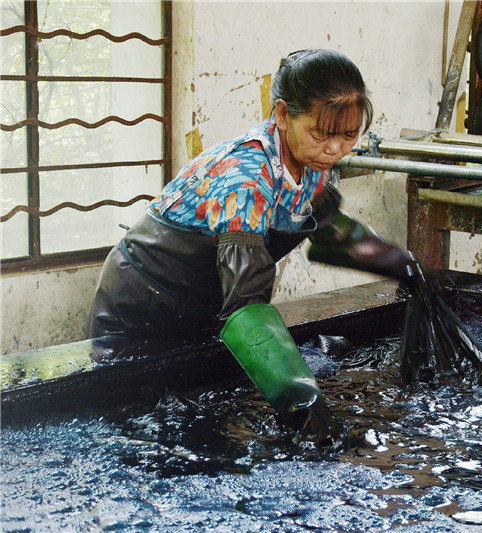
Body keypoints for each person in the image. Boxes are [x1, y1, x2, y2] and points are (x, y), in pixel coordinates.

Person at [88, 49, 419, 444]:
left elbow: (332, 231)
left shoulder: (309, 165)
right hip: (142, 308)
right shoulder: (245, 178)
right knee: (141, 433)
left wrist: (404, 266)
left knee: (203, 422)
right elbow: (246, 301)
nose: (335, 149)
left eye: (348, 135)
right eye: (321, 133)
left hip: (201, 304)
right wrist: (304, 406)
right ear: (282, 114)